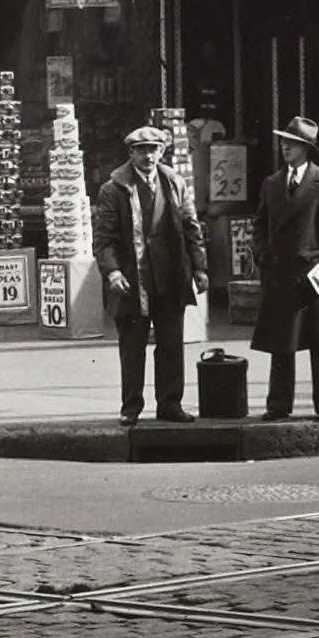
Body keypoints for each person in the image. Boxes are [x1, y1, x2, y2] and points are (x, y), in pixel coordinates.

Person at [92, 128, 203, 424]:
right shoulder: (113, 189)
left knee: (171, 345)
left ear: (162, 152)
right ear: (131, 153)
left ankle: (170, 405)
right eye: (141, 150)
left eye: (153, 149)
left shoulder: (175, 183)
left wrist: (200, 267)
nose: (148, 156)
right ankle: (131, 408)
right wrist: (112, 271)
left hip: (169, 278)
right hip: (132, 280)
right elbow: (103, 239)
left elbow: (192, 228)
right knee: (132, 348)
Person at [250, 115, 319, 418]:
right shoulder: (272, 183)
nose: (285, 148)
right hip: (280, 273)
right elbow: (260, 224)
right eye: (283, 142)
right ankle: (279, 405)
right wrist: (261, 255)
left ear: (306, 148)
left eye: (292, 144)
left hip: (312, 273)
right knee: (281, 343)